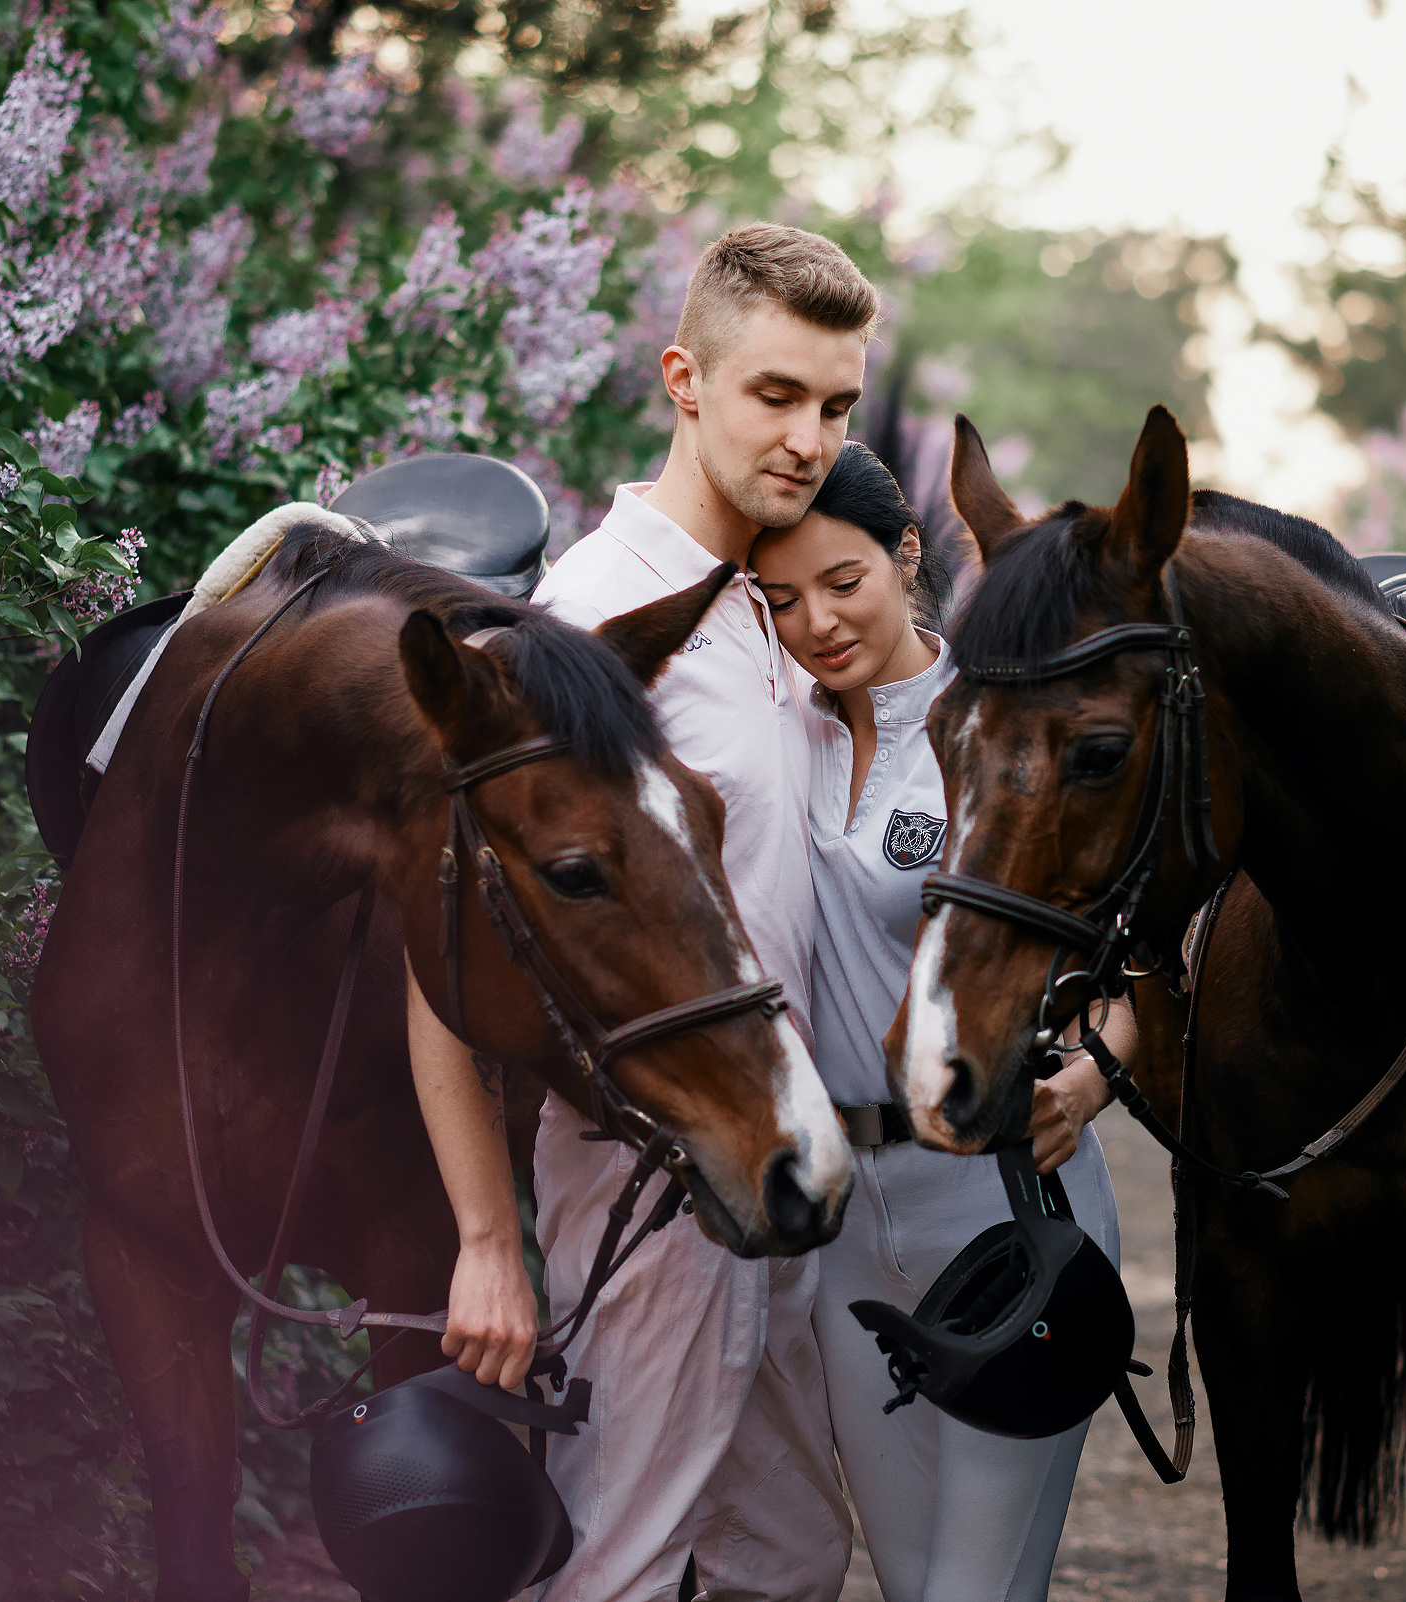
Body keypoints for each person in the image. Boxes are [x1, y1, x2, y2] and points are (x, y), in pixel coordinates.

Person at [406, 222, 879, 1602]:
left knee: (787, 1556)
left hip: (773, 1138)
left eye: (835, 404)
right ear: (686, 377)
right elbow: (439, 955)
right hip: (655, 1161)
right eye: (774, 395)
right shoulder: (594, 621)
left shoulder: (767, 607)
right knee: (618, 1555)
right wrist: (489, 1240)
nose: (807, 437)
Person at [750, 442, 1128, 1602]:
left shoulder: (998, 730)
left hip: (1001, 1206)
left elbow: (1142, 954)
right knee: (915, 1586)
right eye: (781, 599)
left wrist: (1094, 1075)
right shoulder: (778, 735)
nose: (816, 621)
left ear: (908, 554)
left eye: (844, 581)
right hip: (847, 1225)